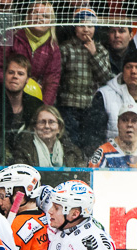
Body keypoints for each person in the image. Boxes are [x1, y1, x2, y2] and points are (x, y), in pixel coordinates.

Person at [85, 50, 137, 153]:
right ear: (123, 72)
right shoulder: (105, 95)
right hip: (112, 161)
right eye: (128, 67)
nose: (133, 71)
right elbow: (92, 136)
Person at [0, 1, 61, 105]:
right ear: (27, 16)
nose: (39, 18)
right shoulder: (8, 35)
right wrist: (16, 83)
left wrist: (43, 108)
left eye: (45, 16)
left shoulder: (53, 48)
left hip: (32, 101)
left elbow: (52, 83)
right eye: (35, 13)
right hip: (0, 97)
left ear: (51, 22)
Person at [57, 8, 111, 148]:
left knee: (89, 142)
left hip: (90, 105)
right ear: (75, 27)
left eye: (90, 25)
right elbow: (58, 75)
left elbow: (105, 76)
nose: (86, 29)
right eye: (81, 25)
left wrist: (94, 54)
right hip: (69, 104)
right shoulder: (66, 48)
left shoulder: (100, 50)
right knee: (71, 141)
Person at [0, 53, 44, 143]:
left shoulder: (37, 105)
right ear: (4, 75)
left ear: (27, 80)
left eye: (20, 74)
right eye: (11, 72)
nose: (15, 76)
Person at [88, 103, 137, 169]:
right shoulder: (103, 154)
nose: (129, 124)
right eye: (124, 120)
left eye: (134, 120)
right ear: (118, 124)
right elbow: (90, 181)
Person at [10, 105, 86, 168]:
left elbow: (82, 176)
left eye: (51, 122)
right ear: (35, 127)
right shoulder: (23, 150)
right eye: (42, 122)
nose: (46, 126)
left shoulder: (72, 151)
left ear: (59, 127)